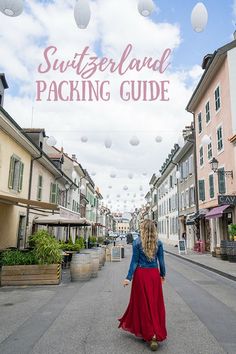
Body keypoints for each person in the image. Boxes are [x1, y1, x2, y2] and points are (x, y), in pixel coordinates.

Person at [118, 219, 167, 351]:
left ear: (143, 229)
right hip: (153, 275)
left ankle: (148, 332)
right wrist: (162, 275)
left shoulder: (137, 243)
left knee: (143, 305)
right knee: (154, 304)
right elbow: (161, 262)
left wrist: (128, 277)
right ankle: (155, 334)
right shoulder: (159, 243)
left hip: (141, 275)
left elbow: (134, 262)